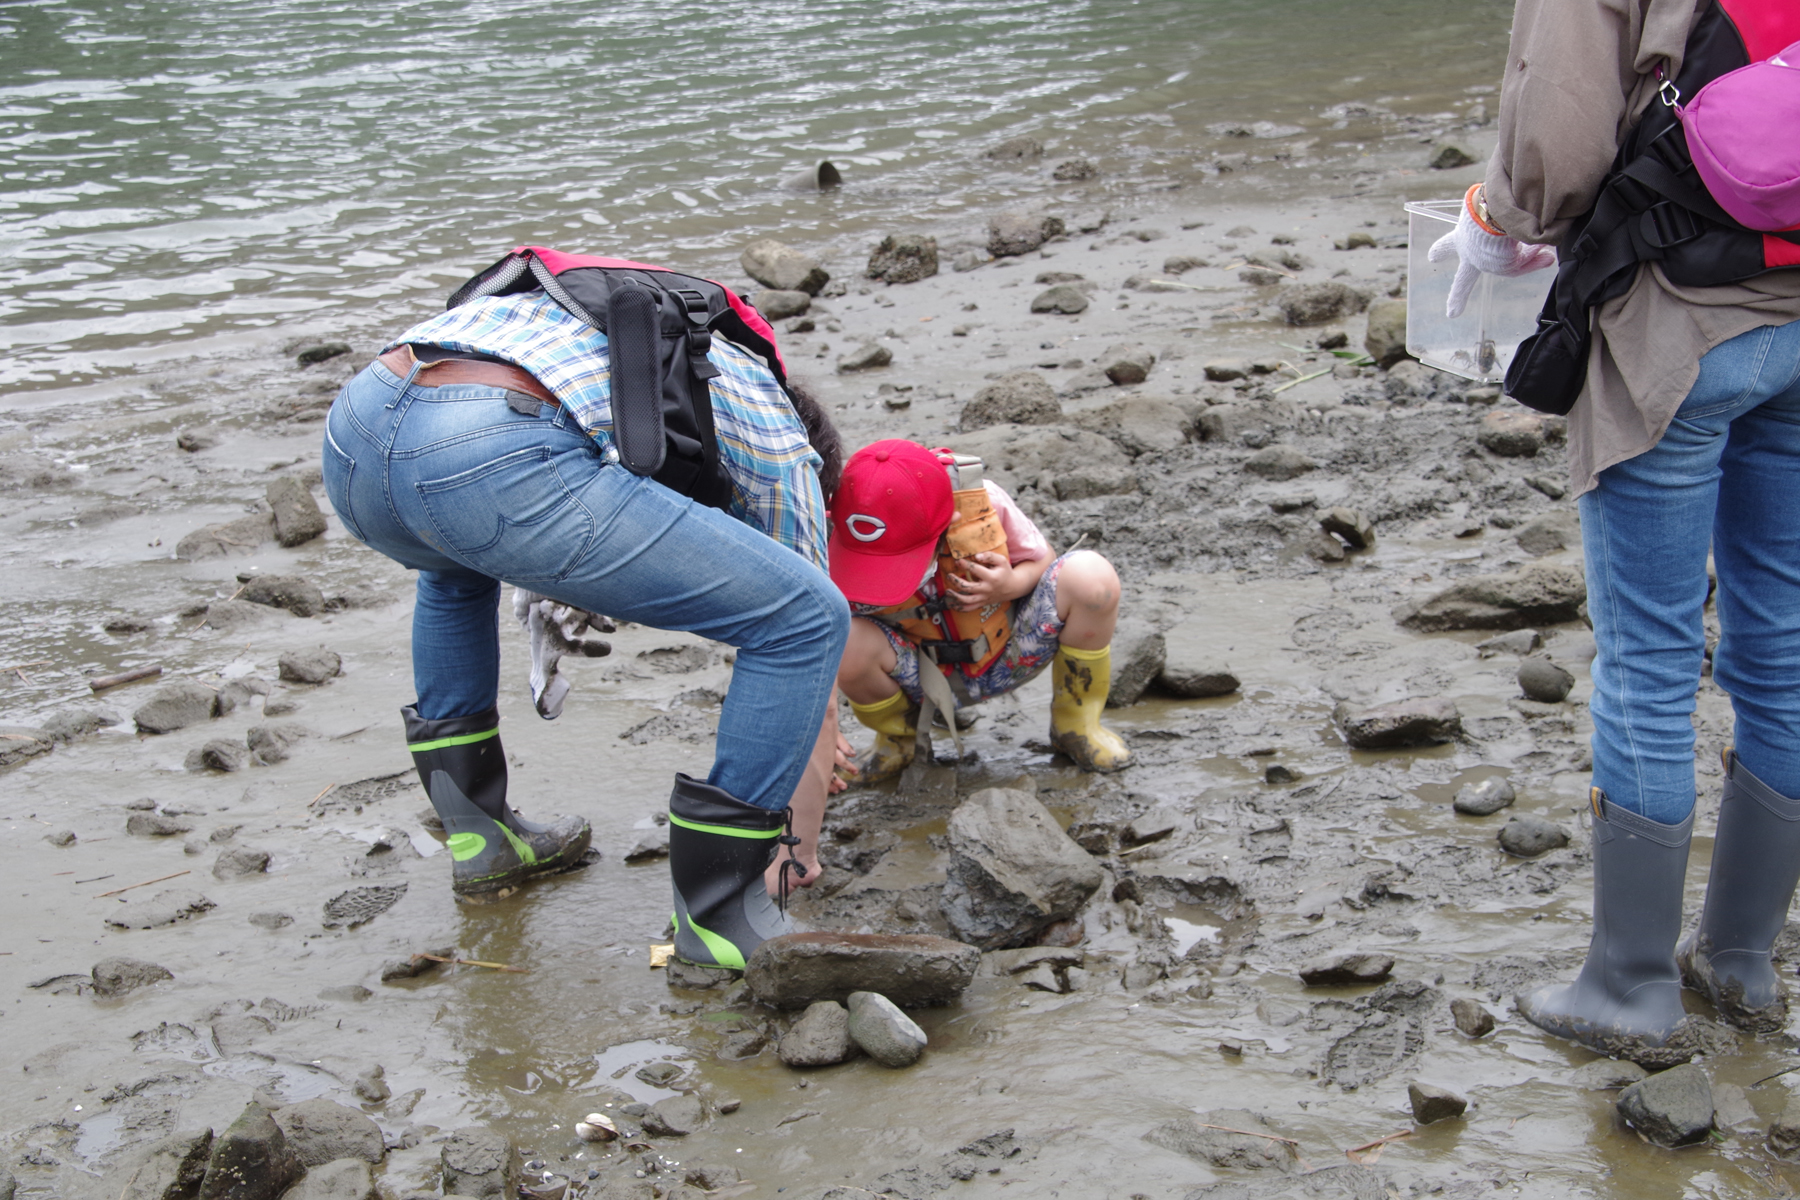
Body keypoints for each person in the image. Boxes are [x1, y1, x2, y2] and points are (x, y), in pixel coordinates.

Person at [1434, 0, 1800, 1065]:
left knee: (1648, 658)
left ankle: (1629, 984)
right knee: (1779, 646)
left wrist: (1491, 215)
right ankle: (1739, 957)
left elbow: (1557, 145)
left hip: (1679, 326)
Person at [321, 248, 849, 974]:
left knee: (449, 572)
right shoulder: (784, 442)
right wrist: (798, 849)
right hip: (488, 444)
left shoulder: (669, 350)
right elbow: (808, 637)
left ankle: (484, 844)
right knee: (807, 618)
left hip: (358, 424)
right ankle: (722, 916)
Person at [825, 438, 1131, 780]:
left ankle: (1076, 726)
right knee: (842, 637)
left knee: (1091, 577)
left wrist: (1010, 585)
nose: (883, 574)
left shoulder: (982, 504)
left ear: (948, 521)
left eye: (897, 561)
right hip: (917, 680)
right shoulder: (824, 534)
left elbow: (1043, 558)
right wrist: (819, 738)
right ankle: (898, 741)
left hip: (1008, 655)